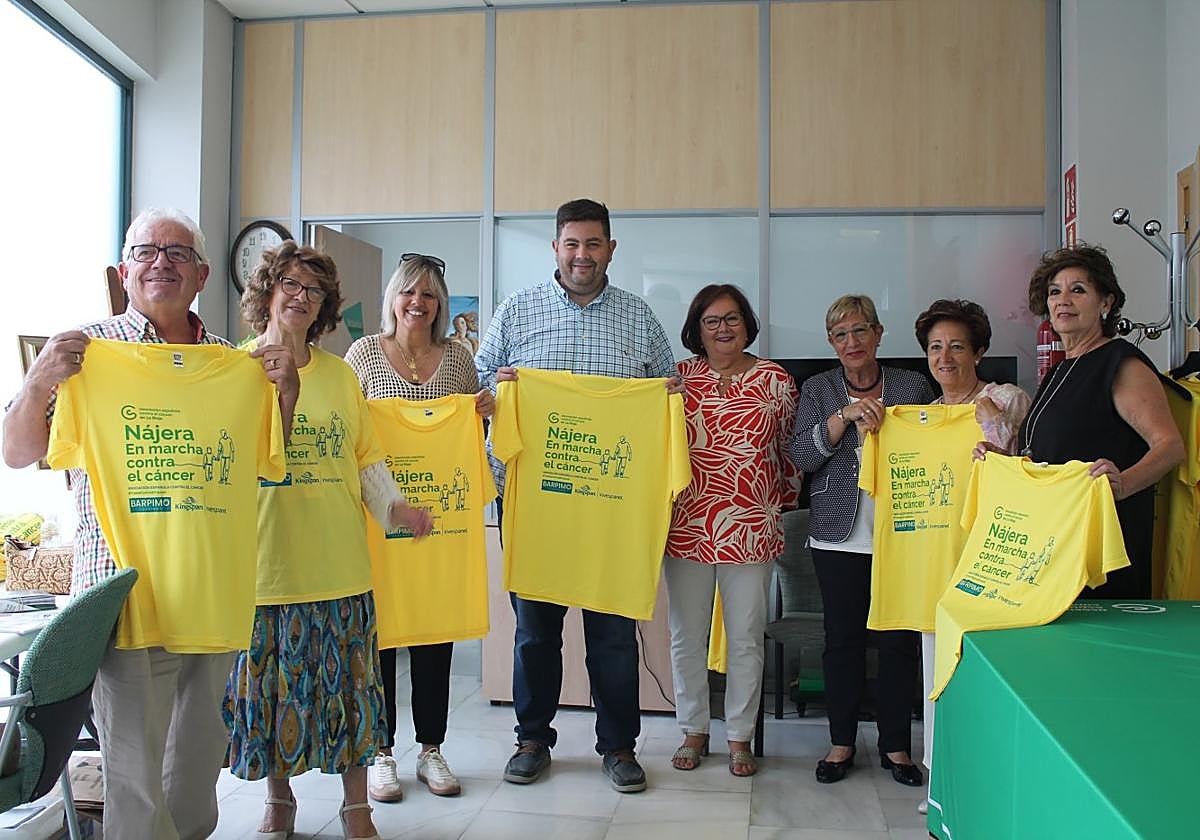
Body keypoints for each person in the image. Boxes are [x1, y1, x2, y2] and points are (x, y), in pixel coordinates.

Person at [1, 208, 298, 840]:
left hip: (212, 594)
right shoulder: (86, 353)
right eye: (146, 251)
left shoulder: (232, 362)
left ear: (202, 275)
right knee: (134, 772)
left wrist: (285, 399)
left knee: (196, 763)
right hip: (125, 597)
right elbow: (17, 452)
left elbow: (265, 468)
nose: (160, 262)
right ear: (123, 270)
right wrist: (39, 380)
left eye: (177, 253)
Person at [224, 242, 433, 840]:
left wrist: (395, 508)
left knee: (352, 694)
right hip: (267, 567)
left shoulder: (341, 375)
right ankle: (279, 798)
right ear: (267, 290)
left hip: (341, 565)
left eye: (314, 290)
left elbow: (366, 459)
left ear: (325, 307)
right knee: (273, 694)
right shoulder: (235, 371)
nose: (301, 297)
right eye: (290, 283)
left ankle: (356, 806)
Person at [475, 198, 680, 794]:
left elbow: (666, 391)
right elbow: (479, 382)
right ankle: (532, 739)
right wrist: (499, 389)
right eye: (572, 244)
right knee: (535, 631)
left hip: (612, 505)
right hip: (536, 502)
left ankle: (618, 746)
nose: (582, 255)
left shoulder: (639, 317)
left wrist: (664, 396)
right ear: (556, 247)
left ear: (610, 249)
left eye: (593, 244)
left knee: (612, 632)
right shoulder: (518, 310)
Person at [344, 252, 495, 802]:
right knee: (381, 633)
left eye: (429, 294)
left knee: (435, 630)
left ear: (441, 304)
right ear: (393, 298)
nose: (418, 302)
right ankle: (381, 752)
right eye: (409, 291)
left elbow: (472, 439)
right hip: (380, 520)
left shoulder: (457, 358)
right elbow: (348, 431)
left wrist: (482, 414)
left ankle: (432, 748)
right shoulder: (363, 355)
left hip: (441, 524)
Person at [788, 294, 934, 787]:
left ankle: (896, 746)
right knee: (842, 643)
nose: (851, 341)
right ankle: (841, 742)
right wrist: (844, 418)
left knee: (898, 643)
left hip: (901, 533)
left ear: (878, 334)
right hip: (838, 535)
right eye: (841, 334)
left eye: (860, 330)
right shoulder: (819, 388)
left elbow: (931, 446)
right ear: (831, 343)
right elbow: (802, 456)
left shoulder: (912, 385)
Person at [663, 284, 799, 777]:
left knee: (745, 638)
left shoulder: (775, 380)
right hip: (687, 526)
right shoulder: (677, 379)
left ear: (747, 324)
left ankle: (739, 735)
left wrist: (778, 507)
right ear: (697, 329)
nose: (723, 329)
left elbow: (789, 452)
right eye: (712, 321)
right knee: (686, 636)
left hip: (751, 526)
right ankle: (693, 729)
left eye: (732, 318)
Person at [1007, 244, 1183, 599]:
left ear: (1106, 303)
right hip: (1054, 544)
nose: (1063, 300)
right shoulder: (1059, 370)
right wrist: (1003, 459)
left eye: (1078, 290)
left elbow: (1170, 447)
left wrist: (1123, 484)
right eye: (1054, 291)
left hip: (1102, 552)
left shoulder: (1120, 363)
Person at [912, 298, 1031, 812]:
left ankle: (990, 782)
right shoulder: (924, 417)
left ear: (979, 352)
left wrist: (991, 429)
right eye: (935, 347)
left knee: (987, 669)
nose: (945, 357)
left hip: (993, 555)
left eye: (957, 346)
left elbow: (1014, 442)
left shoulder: (1003, 397)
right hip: (936, 554)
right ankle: (939, 779)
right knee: (936, 673)